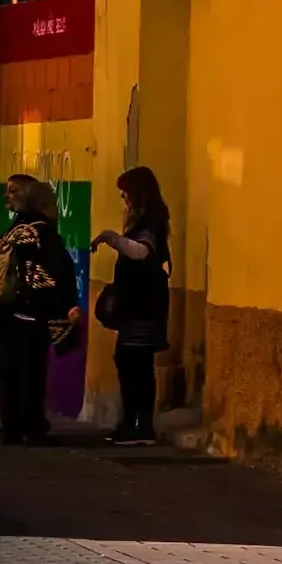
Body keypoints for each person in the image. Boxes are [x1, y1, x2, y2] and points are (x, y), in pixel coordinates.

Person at [0, 175, 80, 445]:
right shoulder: (42, 232)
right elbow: (58, 272)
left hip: (8, 311)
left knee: (11, 372)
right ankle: (32, 426)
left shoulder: (16, 229)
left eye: (13, 191)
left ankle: (12, 427)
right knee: (31, 372)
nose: (7, 196)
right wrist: (65, 305)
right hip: (31, 311)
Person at [91, 166, 171, 446]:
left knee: (134, 363)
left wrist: (110, 237)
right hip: (138, 304)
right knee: (129, 362)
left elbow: (141, 252)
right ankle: (133, 422)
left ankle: (140, 425)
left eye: (126, 193)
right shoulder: (147, 220)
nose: (123, 198)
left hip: (143, 305)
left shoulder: (150, 222)